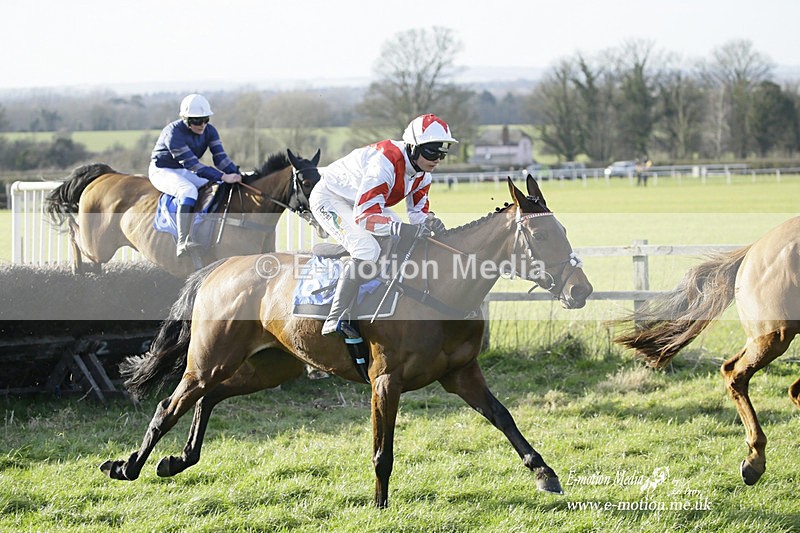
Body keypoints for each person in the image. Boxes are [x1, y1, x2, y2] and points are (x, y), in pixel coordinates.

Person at [310, 113, 457, 337]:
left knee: (399, 237)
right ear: (413, 147)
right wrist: (402, 229)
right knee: (366, 249)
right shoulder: (385, 165)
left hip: (362, 200)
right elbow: (364, 217)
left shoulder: (423, 174)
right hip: (331, 197)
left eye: (442, 153)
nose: (437, 159)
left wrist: (431, 222)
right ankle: (335, 316)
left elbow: (417, 214)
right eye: (431, 151)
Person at [149, 94, 242, 257]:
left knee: (217, 187)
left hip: (184, 170)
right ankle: (183, 241)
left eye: (206, 120)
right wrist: (222, 176)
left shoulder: (210, 131)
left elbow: (220, 158)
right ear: (185, 119)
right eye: (197, 121)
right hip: (162, 170)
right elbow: (192, 165)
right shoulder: (173, 132)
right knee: (188, 191)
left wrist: (236, 174)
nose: (202, 125)